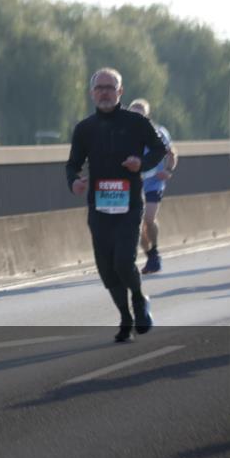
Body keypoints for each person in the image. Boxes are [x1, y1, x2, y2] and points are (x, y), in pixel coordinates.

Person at [65, 68, 168, 343]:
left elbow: (160, 150)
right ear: (92, 93)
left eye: (110, 87)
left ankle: (138, 298)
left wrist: (141, 164)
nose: (105, 92)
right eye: (99, 88)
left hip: (130, 204)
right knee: (106, 269)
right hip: (99, 208)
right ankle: (125, 317)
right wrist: (74, 181)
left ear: (120, 92)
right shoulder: (85, 128)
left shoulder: (135, 122)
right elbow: (73, 164)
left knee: (124, 261)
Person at [127, 99, 177, 274]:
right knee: (136, 224)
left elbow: (171, 154)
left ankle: (154, 249)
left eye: (140, 114)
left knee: (149, 218)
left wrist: (168, 170)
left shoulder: (159, 133)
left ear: (147, 116)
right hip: (134, 181)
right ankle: (151, 255)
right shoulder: (123, 134)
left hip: (154, 180)